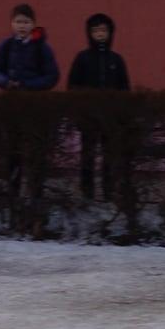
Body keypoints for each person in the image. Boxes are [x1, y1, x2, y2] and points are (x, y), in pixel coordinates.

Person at [68, 12, 131, 199]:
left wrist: (121, 114)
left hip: (111, 117)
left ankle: (108, 191)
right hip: (88, 116)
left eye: (103, 30)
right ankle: (87, 192)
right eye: (95, 30)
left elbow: (124, 88)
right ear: (89, 33)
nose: (100, 34)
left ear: (110, 33)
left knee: (110, 155)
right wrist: (78, 112)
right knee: (87, 154)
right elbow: (73, 86)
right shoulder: (82, 58)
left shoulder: (116, 60)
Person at [0, 4, 59, 91]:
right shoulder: (6, 45)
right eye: (18, 22)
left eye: (26, 22)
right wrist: (5, 82)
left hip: (36, 98)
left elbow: (52, 76)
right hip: (10, 96)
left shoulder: (42, 47)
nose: (22, 26)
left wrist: (26, 85)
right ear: (12, 23)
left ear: (33, 24)